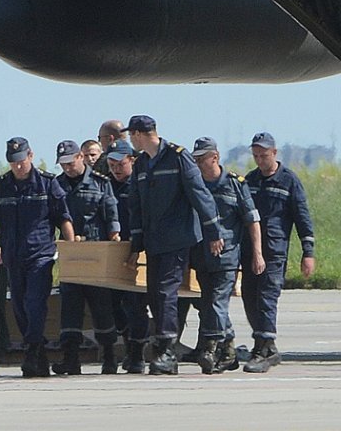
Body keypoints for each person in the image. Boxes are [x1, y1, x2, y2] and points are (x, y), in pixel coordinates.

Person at [0, 137, 75, 378]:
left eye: (21, 161)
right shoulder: (1, 186)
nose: (18, 166)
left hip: (40, 257)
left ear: (30, 156)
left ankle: (33, 350)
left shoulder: (47, 184)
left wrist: (72, 251)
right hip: (13, 258)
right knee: (20, 308)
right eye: (13, 162)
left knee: (35, 304)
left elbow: (63, 218)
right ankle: (38, 355)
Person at [126, 115, 223, 375]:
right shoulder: (142, 164)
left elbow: (199, 194)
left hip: (177, 239)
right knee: (155, 294)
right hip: (154, 240)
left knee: (166, 292)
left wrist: (214, 231)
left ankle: (167, 350)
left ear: (139, 134)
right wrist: (136, 245)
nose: (130, 140)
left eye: (130, 135)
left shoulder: (178, 157)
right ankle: (165, 348)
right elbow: (135, 205)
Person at [241, 132, 316, 373]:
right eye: (255, 156)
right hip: (251, 250)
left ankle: (264, 350)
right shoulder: (250, 180)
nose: (259, 160)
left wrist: (308, 252)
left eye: (263, 155)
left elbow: (302, 218)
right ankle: (265, 344)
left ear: (274, 153)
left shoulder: (289, 181)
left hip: (274, 251)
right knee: (249, 297)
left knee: (266, 298)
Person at [191, 137, 262, 374]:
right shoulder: (194, 185)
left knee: (217, 302)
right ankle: (229, 350)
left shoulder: (234, 184)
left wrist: (257, 254)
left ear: (215, 157)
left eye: (202, 159)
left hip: (228, 256)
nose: (199, 163)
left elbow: (252, 221)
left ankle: (210, 348)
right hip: (201, 255)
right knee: (208, 303)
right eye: (196, 159)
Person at [51, 140, 121, 375]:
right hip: (70, 254)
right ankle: (71, 358)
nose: (68, 168)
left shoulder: (101, 183)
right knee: (70, 306)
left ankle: (109, 357)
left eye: (71, 162)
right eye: (63, 164)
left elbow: (111, 212)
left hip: (95, 252)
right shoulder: (56, 185)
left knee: (101, 305)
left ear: (81, 157)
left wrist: (114, 233)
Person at [106, 139, 150, 374]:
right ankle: (127, 340)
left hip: (138, 249)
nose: (115, 168)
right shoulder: (105, 185)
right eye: (111, 164)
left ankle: (137, 354)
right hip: (112, 251)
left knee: (136, 305)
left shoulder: (141, 184)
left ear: (131, 160)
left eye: (120, 163)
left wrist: (137, 248)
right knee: (115, 305)